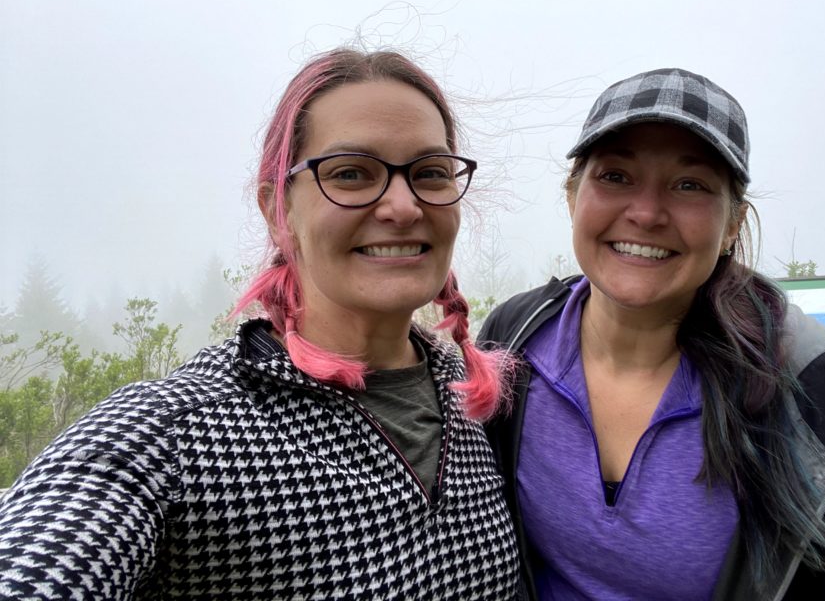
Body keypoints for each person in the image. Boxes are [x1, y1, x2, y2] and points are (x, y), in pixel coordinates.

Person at [0, 49, 519, 599]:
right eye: (349, 173)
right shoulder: (173, 435)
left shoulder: (479, 404)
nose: (402, 205)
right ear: (278, 211)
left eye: (430, 173)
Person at [481, 68, 825, 601]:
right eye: (615, 176)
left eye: (690, 186)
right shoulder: (513, 338)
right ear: (572, 195)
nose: (647, 213)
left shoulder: (814, 392)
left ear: (732, 225)